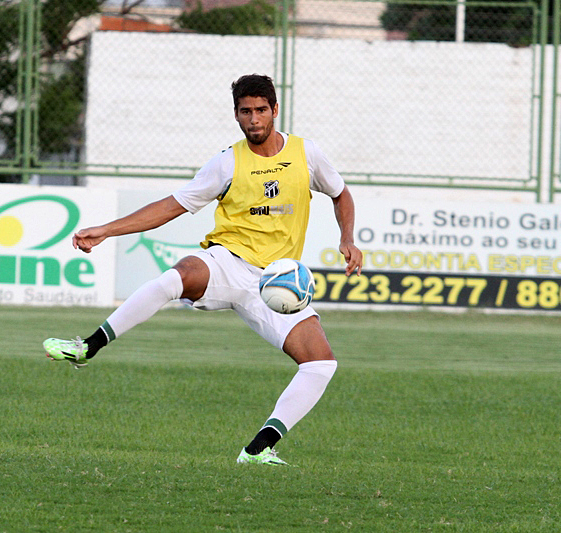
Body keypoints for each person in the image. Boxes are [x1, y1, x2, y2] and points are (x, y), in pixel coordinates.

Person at [44, 74, 363, 465]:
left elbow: (340, 193)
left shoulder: (306, 154)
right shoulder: (226, 163)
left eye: (261, 110)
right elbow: (171, 206)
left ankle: (258, 450)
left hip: (274, 282)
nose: (254, 120)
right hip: (227, 263)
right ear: (236, 115)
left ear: (275, 110)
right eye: (245, 112)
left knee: (321, 363)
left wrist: (347, 237)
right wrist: (107, 231)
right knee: (178, 276)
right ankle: (87, 347)